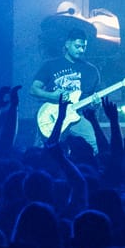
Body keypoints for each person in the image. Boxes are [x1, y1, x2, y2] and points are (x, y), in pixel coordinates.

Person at [30, 11, 100, 147]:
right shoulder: (50, 65)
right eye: (77, 46)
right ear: (67, 44)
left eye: (84, 47)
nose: (81, 50)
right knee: (42, 149)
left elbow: (92, 100)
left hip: (76, 116)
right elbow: (33, 90)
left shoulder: (92, 71)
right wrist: (52, 96)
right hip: (51, 115)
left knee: (95, 143)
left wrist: (96, 104)